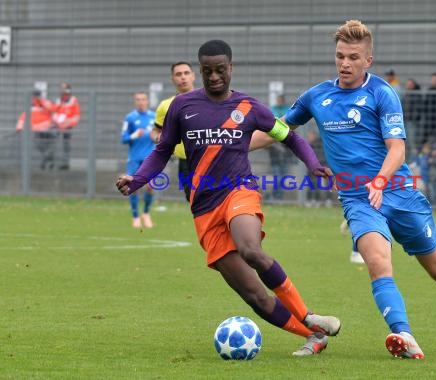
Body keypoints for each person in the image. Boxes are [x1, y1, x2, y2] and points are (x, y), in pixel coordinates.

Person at [250, 20, 436, 359]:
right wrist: (232, 145)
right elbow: (281, 129)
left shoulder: (382, 93)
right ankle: (403, 336)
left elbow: (397, 149)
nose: (345, 63)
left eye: (353, 57)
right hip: (358, 199)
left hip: (398, 192)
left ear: (368, 61)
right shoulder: (317, 96)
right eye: (340, 56)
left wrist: (380, 180)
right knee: (377, 262)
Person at [115, 40, 341, 356]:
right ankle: (313, 335)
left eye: (220, 70)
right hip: (203, 206)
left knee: (250, 249)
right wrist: (137, 180)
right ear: (200, 71)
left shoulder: (250, 107)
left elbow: (288, 136)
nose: (215, 76)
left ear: (231, 68)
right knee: (254, 296)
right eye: (208, 71)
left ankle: (306, 313)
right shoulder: (182, 107)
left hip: (239, 191)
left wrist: (314, 164)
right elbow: (163, 150)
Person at [151, 61, 196, 202]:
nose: (183, 77)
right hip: (185, 163)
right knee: (193, 202)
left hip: (210, 158)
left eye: (186, 73)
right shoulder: (165, 106)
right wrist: (158, 137)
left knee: (214, 200)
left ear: (193, 76)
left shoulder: (208, 99)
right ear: (172, 79)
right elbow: (155, 131)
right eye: (178, 74)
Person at [121, 92, 156, 228]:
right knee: (133, 188)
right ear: (135, 102)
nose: (141, 102)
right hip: (134, 158)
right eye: (138, 100)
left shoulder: (153, 117)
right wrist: (135, 134)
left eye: (143, 99)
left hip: (150, 159)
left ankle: (146, 213)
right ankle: (135, 216)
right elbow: (123, 139)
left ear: (147, 101)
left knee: (151, 186)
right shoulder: (130, 118)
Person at [15, 90, 57, 170]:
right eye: (34, 96)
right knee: (40, 146)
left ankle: (47, 162)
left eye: (36, 96)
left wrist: (43, 103)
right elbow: (24, 116)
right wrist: (19, 126)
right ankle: (47, 159)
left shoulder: (46, 103)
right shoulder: (31, 106)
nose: (35, 97)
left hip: (48, 129)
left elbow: (53, 109)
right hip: (38, 130)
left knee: (49, 146)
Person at [52, 82, 81, 170]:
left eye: (64, 89)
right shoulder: (58, 100)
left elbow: (76, 116)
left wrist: (67, 123)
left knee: (66, 144)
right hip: (57, 125)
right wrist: (57, 122)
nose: (63, 91)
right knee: (51, 142)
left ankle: (65, 163)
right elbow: (54, 112)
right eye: (62, 89)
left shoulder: (73, 101)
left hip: (67, 126)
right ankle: (51, 162)